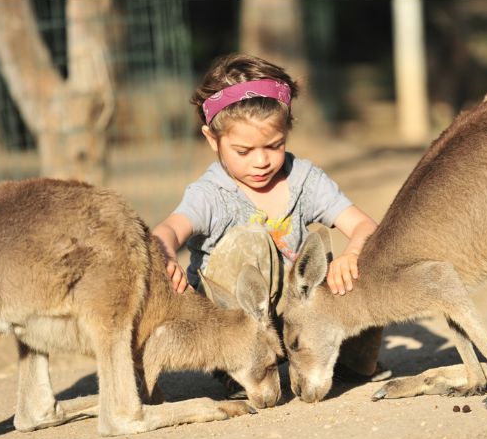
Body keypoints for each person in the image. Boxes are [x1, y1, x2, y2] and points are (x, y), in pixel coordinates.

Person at [151, 53, 391, 399]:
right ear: (212, 139)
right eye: (244, 151)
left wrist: (351, 254)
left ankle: (346, 361)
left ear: (288, 130)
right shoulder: (210, 193)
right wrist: (165, 255)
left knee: (368, 253)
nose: (262, 161)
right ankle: (238, 366)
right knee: (252, 238)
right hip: (235, 318)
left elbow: (365, 226)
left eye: (274, 146)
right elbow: (168, 230)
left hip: (294, 311)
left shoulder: (306, 180)